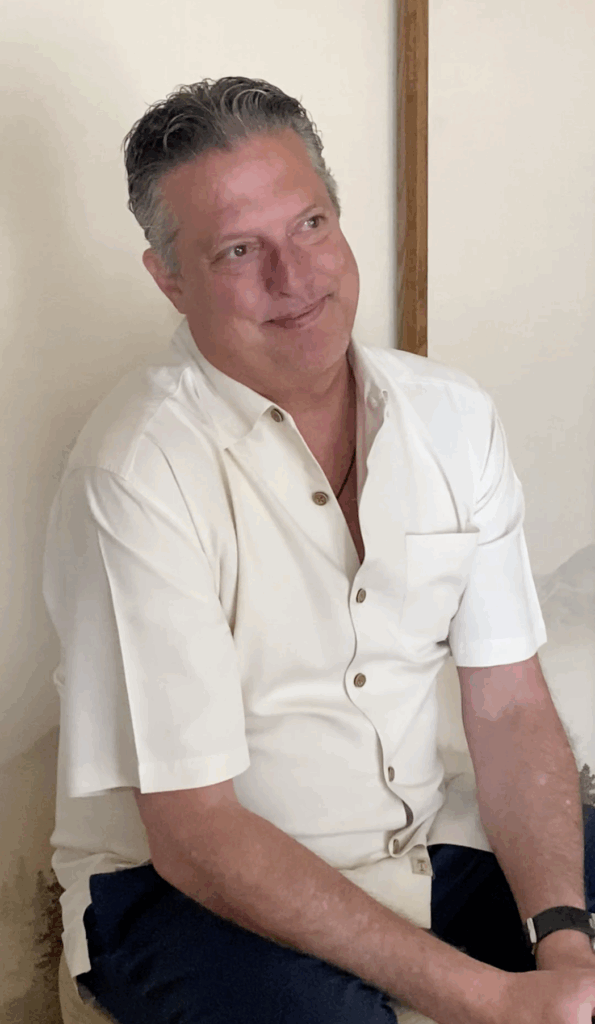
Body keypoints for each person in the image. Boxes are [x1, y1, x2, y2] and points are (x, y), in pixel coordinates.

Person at [43, 76, 595, 1024]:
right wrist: (491, 998)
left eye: (309, 226)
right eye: (238, 250)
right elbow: (197, 832)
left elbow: (507, 705)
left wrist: (563, 940)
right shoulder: (134, 471)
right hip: (179, 893)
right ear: (168, 279)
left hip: (425, 842)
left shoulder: (452, 417)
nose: (294, 278)